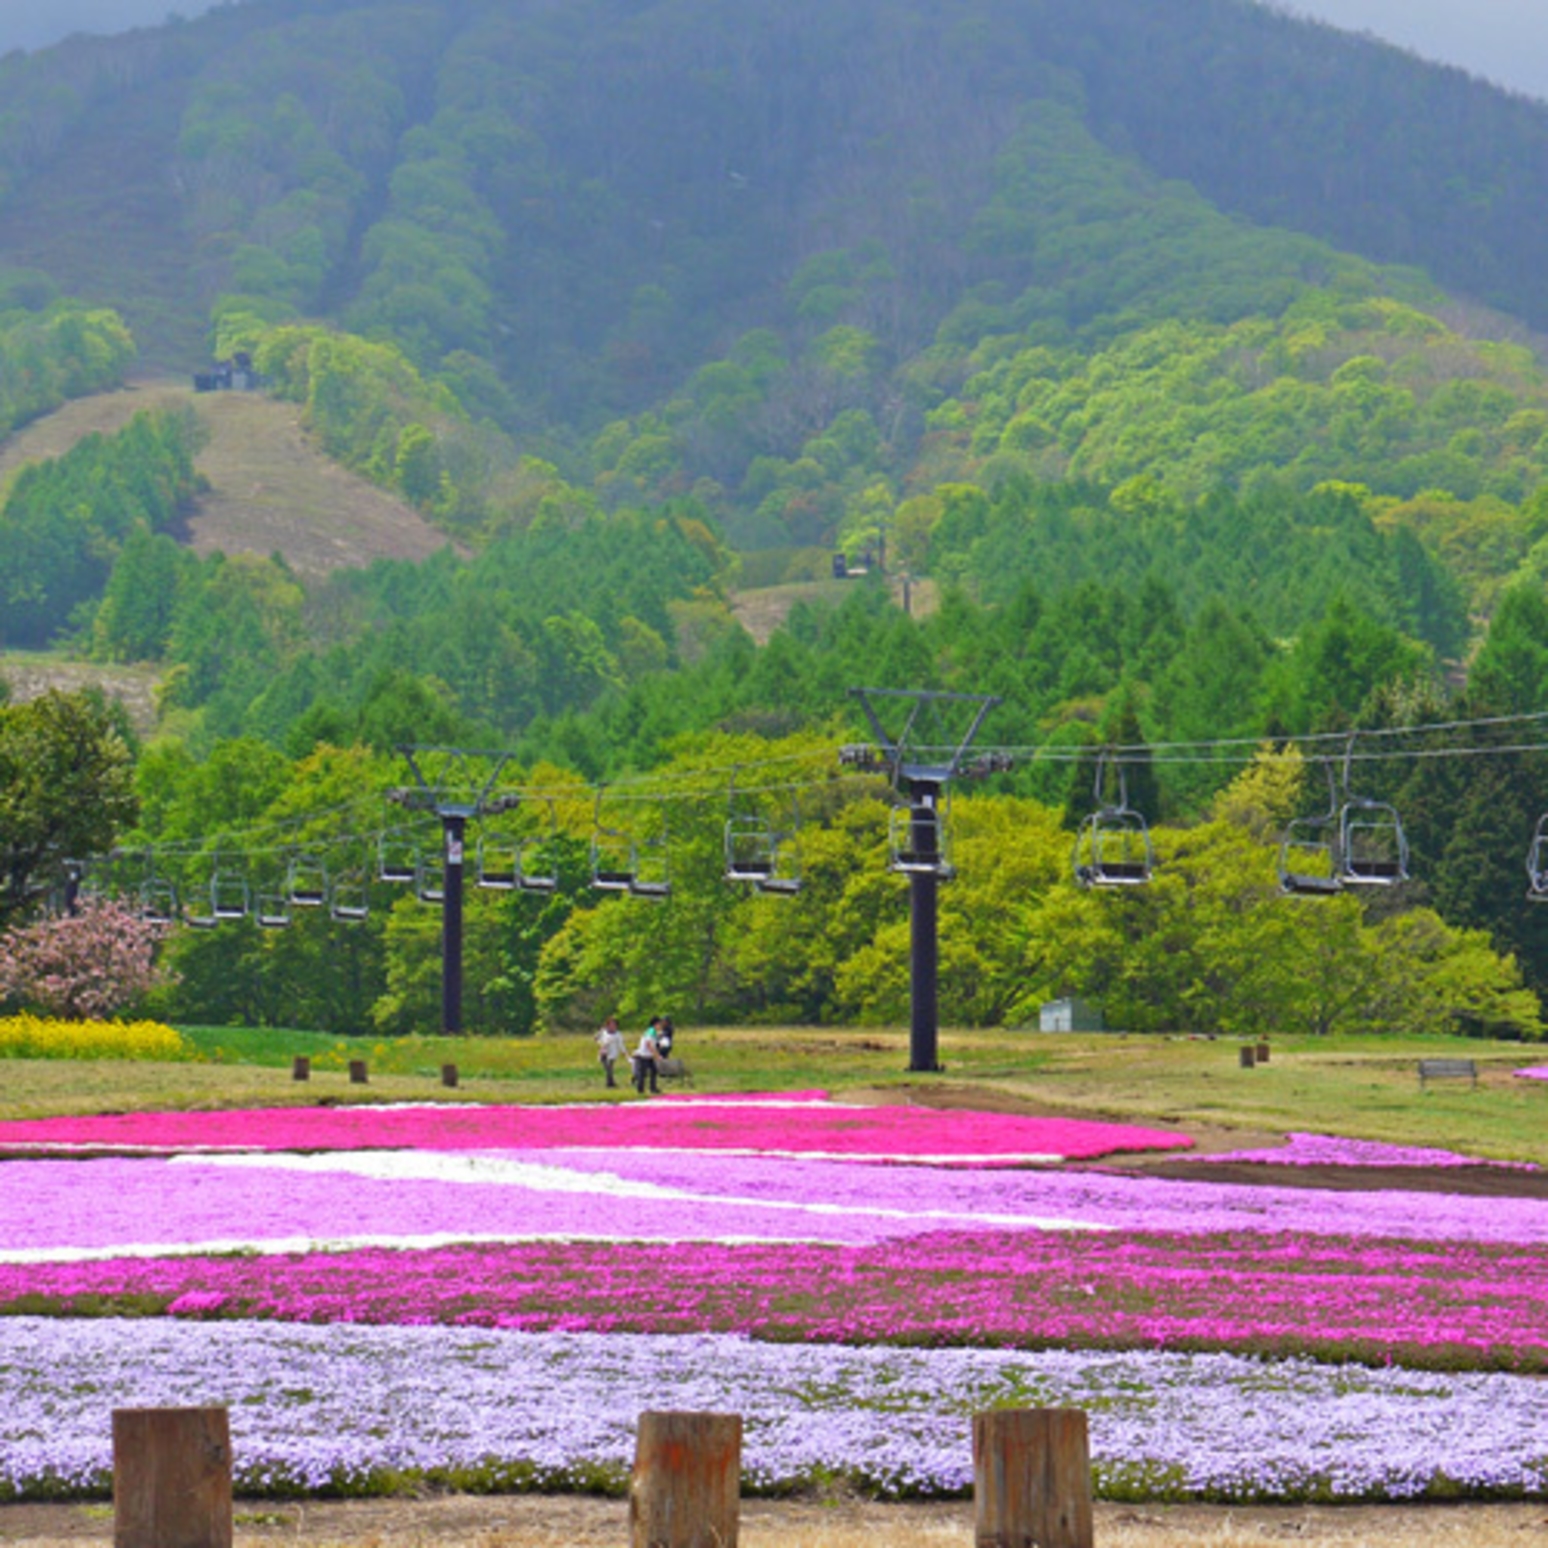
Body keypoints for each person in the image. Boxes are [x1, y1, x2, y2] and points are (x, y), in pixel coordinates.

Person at [632, 1017, 662, 1095]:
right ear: (655, 1024)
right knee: (643, 1073)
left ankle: (652, 1088)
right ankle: (641, 1089)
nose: (660, 1026)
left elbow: (654, 1044)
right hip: (643, 1055)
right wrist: (656, 1055)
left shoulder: (653, 1032)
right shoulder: (651, 1031)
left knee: (653, 1071)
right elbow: (649, 1044)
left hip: (648, 1056)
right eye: (659, 1024)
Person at [594, 1015, 625, 1088]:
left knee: (610, 1067)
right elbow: (596, 1039)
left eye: (614, 1024)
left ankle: (610, 1083)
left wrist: (623, 1051)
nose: (613, 1026)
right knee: (608, 1068)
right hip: (604, 1052)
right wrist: (602, 1044)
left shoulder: (618, 1034)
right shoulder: (603, 1032)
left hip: (613, 1053)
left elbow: (621, 1043)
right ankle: (610, 1082)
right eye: (611, 1024)